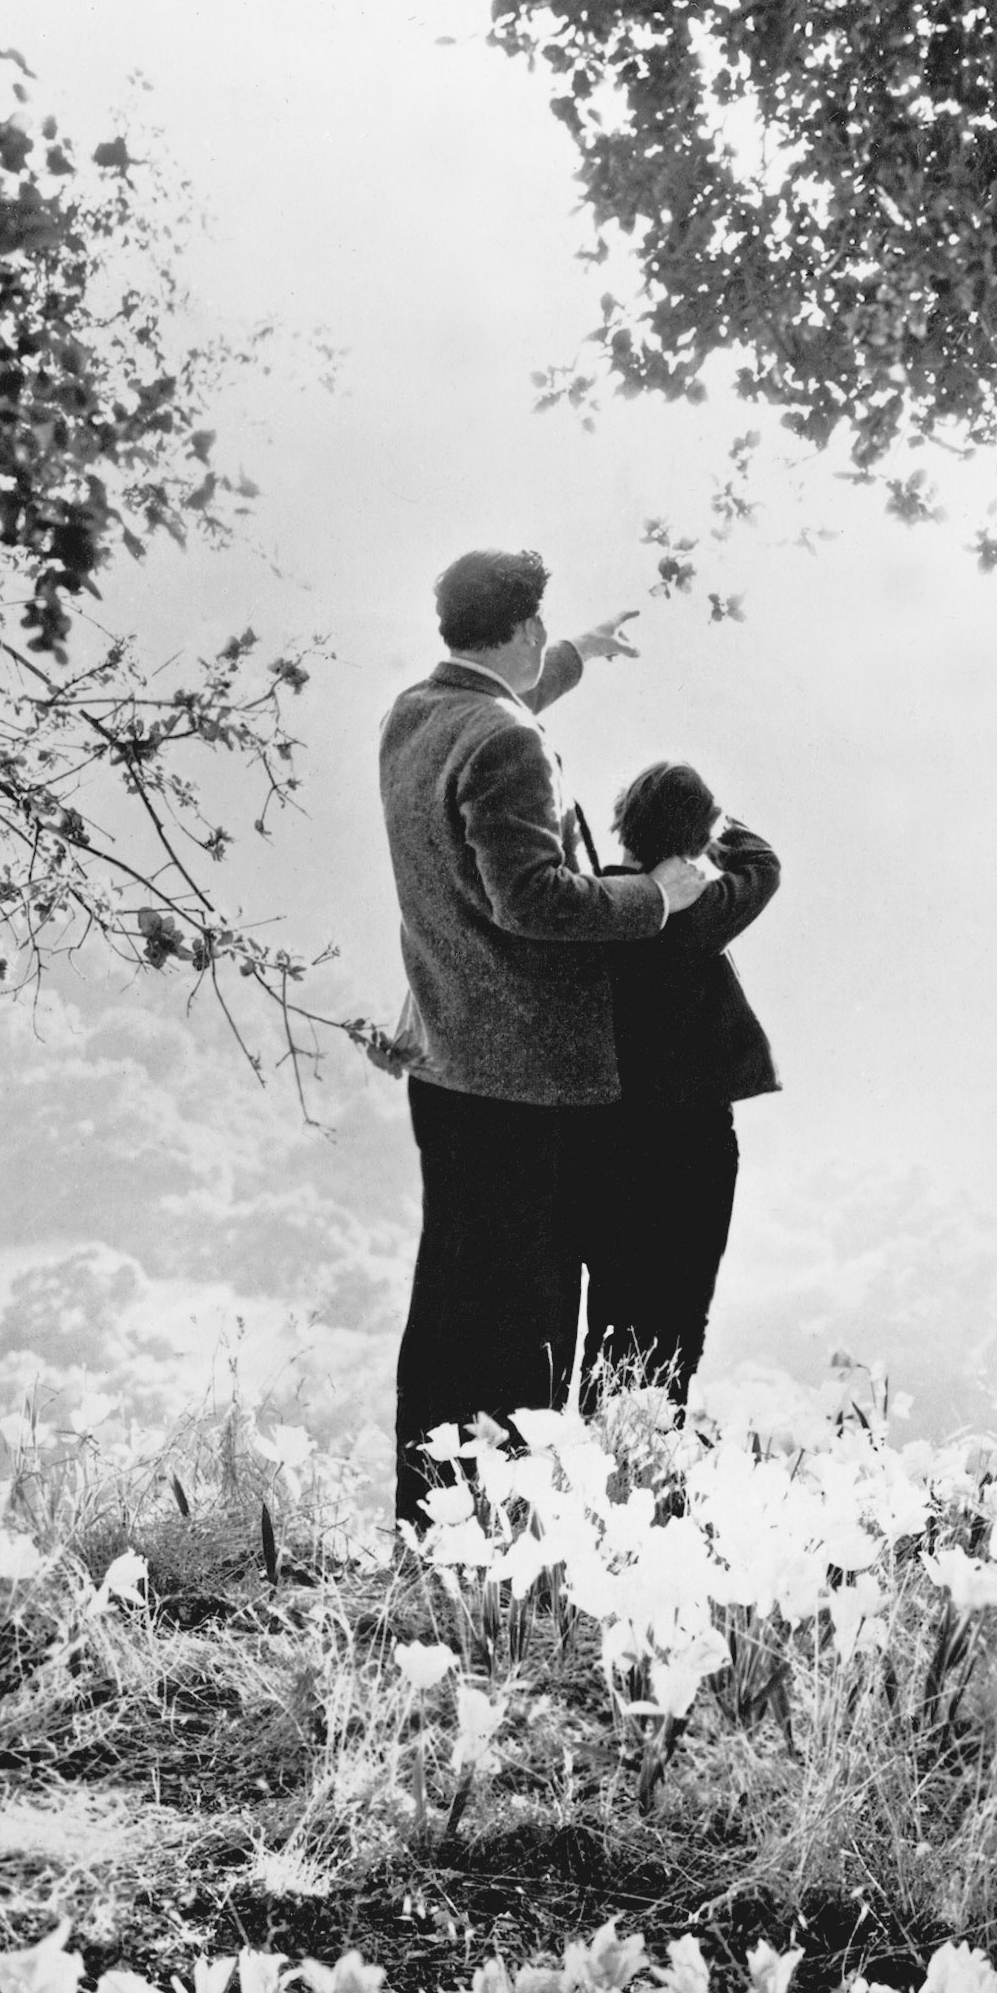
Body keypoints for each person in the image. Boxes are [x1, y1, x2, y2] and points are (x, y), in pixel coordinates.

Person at [378, 547, 713, 1514]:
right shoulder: (506, 742)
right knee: (521, 1320)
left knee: (449, 1304)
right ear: (518, 628)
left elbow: (496, 721)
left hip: (448, 1062)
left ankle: (428, 1516)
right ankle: (501, 1532)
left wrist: (577, 654)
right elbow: (532, 898)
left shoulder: (413, 715)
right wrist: (652, 894)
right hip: (524, 1079)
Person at [576, 760, 780, 1405]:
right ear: (692, 835)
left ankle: (586, 1460)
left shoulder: (596, 902)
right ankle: (651, 1470)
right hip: (692, 1142)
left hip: (605, 1139)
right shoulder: (696, 916)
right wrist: (718, 833)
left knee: (608, 1316)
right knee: (677, 1319)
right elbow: (762, 864)